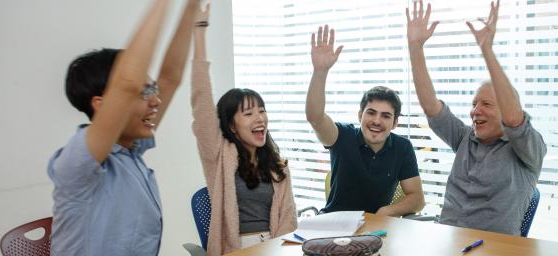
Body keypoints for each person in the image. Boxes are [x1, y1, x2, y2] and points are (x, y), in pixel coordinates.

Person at [47, 0, 198, 255]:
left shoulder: (131, 151)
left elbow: (170, 77)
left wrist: (192, 6)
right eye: (143, 93)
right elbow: (126, 83)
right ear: (102, 105)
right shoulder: (77, 166)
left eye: (152, 91)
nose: (156, 101)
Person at [407, 0, 547, 235]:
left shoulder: (527, 149)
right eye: (474, 105)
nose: (476, 111)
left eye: (486, 105)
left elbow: (515, 120)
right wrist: (415, 46)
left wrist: (487, 50)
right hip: (447, 239)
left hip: (493, 248)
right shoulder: (465, 137)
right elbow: (431, 105)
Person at [190, 3, 297, 255]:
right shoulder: (219, 157)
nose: (259, 118)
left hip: (275, 248)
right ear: (231, 126)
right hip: (235, 249)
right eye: (248, 114)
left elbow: (288, 222)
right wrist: (199, 32)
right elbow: (202, 102)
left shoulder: (277, 166)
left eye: (262, 110)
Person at [305, 25, 424, 216]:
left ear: (395, 123)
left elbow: (417, 199)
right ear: (360, 115)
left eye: (386, 116)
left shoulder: (402, 147)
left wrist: (385, 212)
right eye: (371, 113)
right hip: (332, 228)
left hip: (375, 230)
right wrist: (320, 71)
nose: (376, 121)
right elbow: (315, 117)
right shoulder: (342, 136)